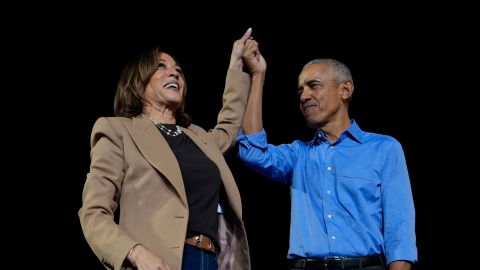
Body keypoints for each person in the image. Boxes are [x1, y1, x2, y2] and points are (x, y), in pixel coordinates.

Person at [79, 28, 257, 270]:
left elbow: (228, 125)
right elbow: (93, 213)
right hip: (158, 262)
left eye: (179, 70)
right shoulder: (117, 130)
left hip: (211, 260)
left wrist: (236, 64)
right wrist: (135, 253)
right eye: (161, 66)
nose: (175, 72)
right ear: (138, 81)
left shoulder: (199, 137)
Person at [238, 40, 417, 270]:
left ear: (345, 90)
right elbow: (252, 151)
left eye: (313, 85)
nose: (303, 96)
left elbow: (399, 231)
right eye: (301, 90)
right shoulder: (298, 155)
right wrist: (258, 74)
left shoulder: (384, 149)